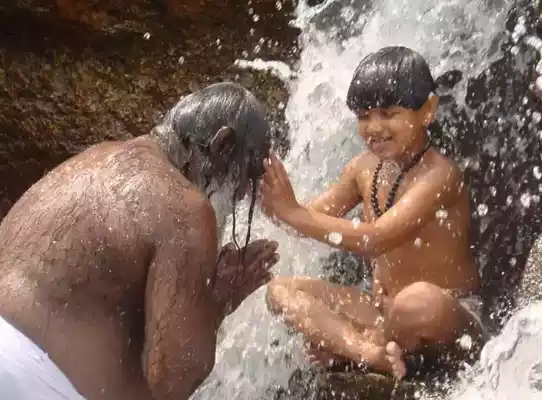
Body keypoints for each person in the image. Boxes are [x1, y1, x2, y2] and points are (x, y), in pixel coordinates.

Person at [0, 82, 279, 400]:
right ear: (223, 144)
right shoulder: (184, 207)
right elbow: (172, 379)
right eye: (246, 175)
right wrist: (218, 302)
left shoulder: (94, 158)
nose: (242, 194)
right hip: (31, 380)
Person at [261, 46, 486, 380]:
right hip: (382, 314)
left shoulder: (440, 175)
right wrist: (270, 199)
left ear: (427, 111)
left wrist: (292, 212)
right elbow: (308, 220)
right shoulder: (363, 169)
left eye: (388, 113)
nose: (374, 127)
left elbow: (375, 238)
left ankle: (354, 350)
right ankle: (367, 353)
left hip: (445, 317)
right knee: (280, 290)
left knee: (417, 301)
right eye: (364, 116)